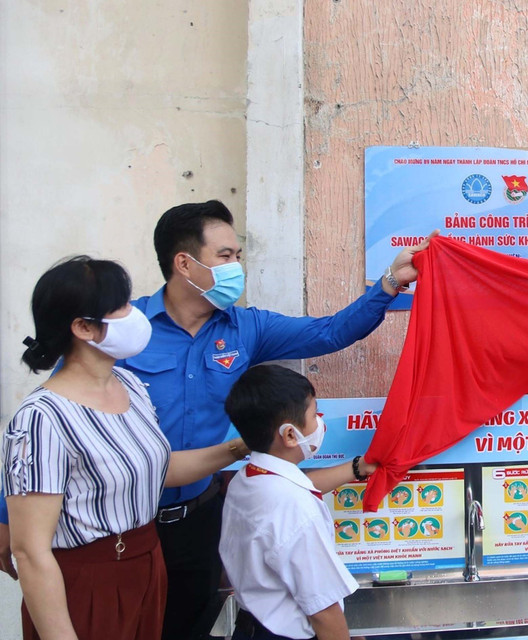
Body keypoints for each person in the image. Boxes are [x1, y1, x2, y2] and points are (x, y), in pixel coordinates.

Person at [0, 200, 433, 638]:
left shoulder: (244, 328)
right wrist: (9, 521)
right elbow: (46, 442)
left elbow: (329, 332)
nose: (236, 267)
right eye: (224, 257)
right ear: (184, 263)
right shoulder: (119, 343)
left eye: (238, 256)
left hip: (196, 519)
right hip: (116, 534)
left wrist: (389, 282)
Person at [2, 256, 250, 640]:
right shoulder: (43, 417)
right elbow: (31, 553)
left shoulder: (129, 385)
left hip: (146, 564)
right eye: (120, 307)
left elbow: (158, 469)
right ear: (84, 327)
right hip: (88, 581)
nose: (134, 313)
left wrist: (238, 448)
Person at [220, 364, 377, 640]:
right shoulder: (296, 509)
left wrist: (357, 467)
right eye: (314, 414)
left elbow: (295, 491)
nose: (320, 422)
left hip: (252, 625)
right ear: (291, 435)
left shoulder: (248, 478)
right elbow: (323, 611)